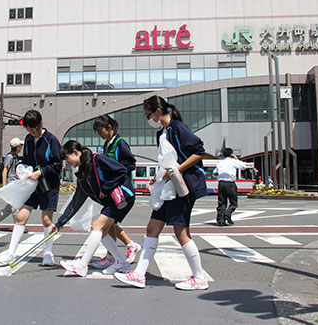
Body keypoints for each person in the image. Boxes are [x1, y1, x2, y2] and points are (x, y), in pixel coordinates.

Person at [114, 95, 209, 290]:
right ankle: (139, 275)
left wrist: (177, 170)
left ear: (158, 111)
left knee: (180, 231)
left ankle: (199, 277)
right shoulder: (164, 132)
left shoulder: (177, 128)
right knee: (152, 228)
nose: (148, 119)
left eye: (148, 114)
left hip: (181, 188)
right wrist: (160, 176)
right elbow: (167, 162)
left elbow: (199, 151)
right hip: (168, 187)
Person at [52, 140, 136, 277]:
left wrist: (106, 188)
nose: (68, 163)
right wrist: (59, 224)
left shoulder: (98, 159)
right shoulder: (82, 175)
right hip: (112, 202)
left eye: (67, 159)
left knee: (96, 226)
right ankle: (122, 262)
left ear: (75, 152)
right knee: (102, 232)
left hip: (123, 197)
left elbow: (121, 170)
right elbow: (75, 203)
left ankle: (82, 265)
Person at [0, 110, 62, 267]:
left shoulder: (51, 140)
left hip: (48, 185)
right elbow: (25, 159)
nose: (32, 131)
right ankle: (11, 254)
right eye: (28, 128)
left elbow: (58, 164)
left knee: (46, 220)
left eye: (34, 128)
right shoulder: (28, 139)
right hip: (31, 185)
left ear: (40, 123)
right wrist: (21, 169)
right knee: (20, 217)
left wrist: (41, 172)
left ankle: (48, 253)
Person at [91, 114, 141, 268]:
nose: (99, 134)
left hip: (121, 189)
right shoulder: (107, 144)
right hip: (112, 188)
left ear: (110, 128)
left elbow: (131, 164)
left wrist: (117, 172)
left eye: (101, 131)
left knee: (108, 221)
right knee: (109, 223)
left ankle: (127, 246)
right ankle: (112, 254)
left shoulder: (120, 143)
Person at [0, 137, 24, 230]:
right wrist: (4, 187)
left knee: (11, 207)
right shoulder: (10, 157)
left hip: (15, 183)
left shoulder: (15, 156)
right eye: (21, 145)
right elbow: (5, 171)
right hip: (11, 183)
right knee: (15, 206)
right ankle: (18, 226)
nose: (22, 147)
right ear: (17, 147)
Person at [213, 148, 246, 226]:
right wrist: (236, 158)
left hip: (221, 183)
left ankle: (220, 220)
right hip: (230, 183)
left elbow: (215, 172)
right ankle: (227, 213)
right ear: (231, 154)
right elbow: (243, 166)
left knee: (222, 202)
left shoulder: (220, 163)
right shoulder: (233, 162)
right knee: (233, 202)